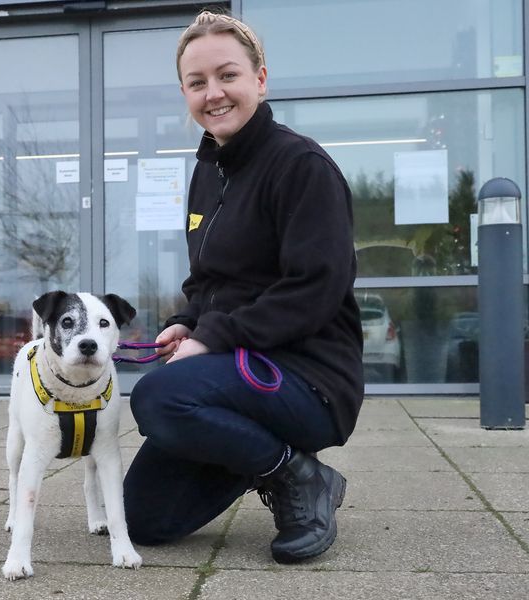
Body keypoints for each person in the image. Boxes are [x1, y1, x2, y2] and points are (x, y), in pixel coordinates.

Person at [123, 10, 364, 564]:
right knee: (147, 519)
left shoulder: (301, 166)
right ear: (184, 92)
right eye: (197, 82)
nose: (214, 93)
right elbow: (209, 283)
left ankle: (299, 477)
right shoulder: (209, 170)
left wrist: (213, 338)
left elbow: (315, 286)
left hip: (308, 377)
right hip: (238, 372)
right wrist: (186, 320)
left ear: (260, 79)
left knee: (160, 396)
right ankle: (260, 453)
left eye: (227, 75)